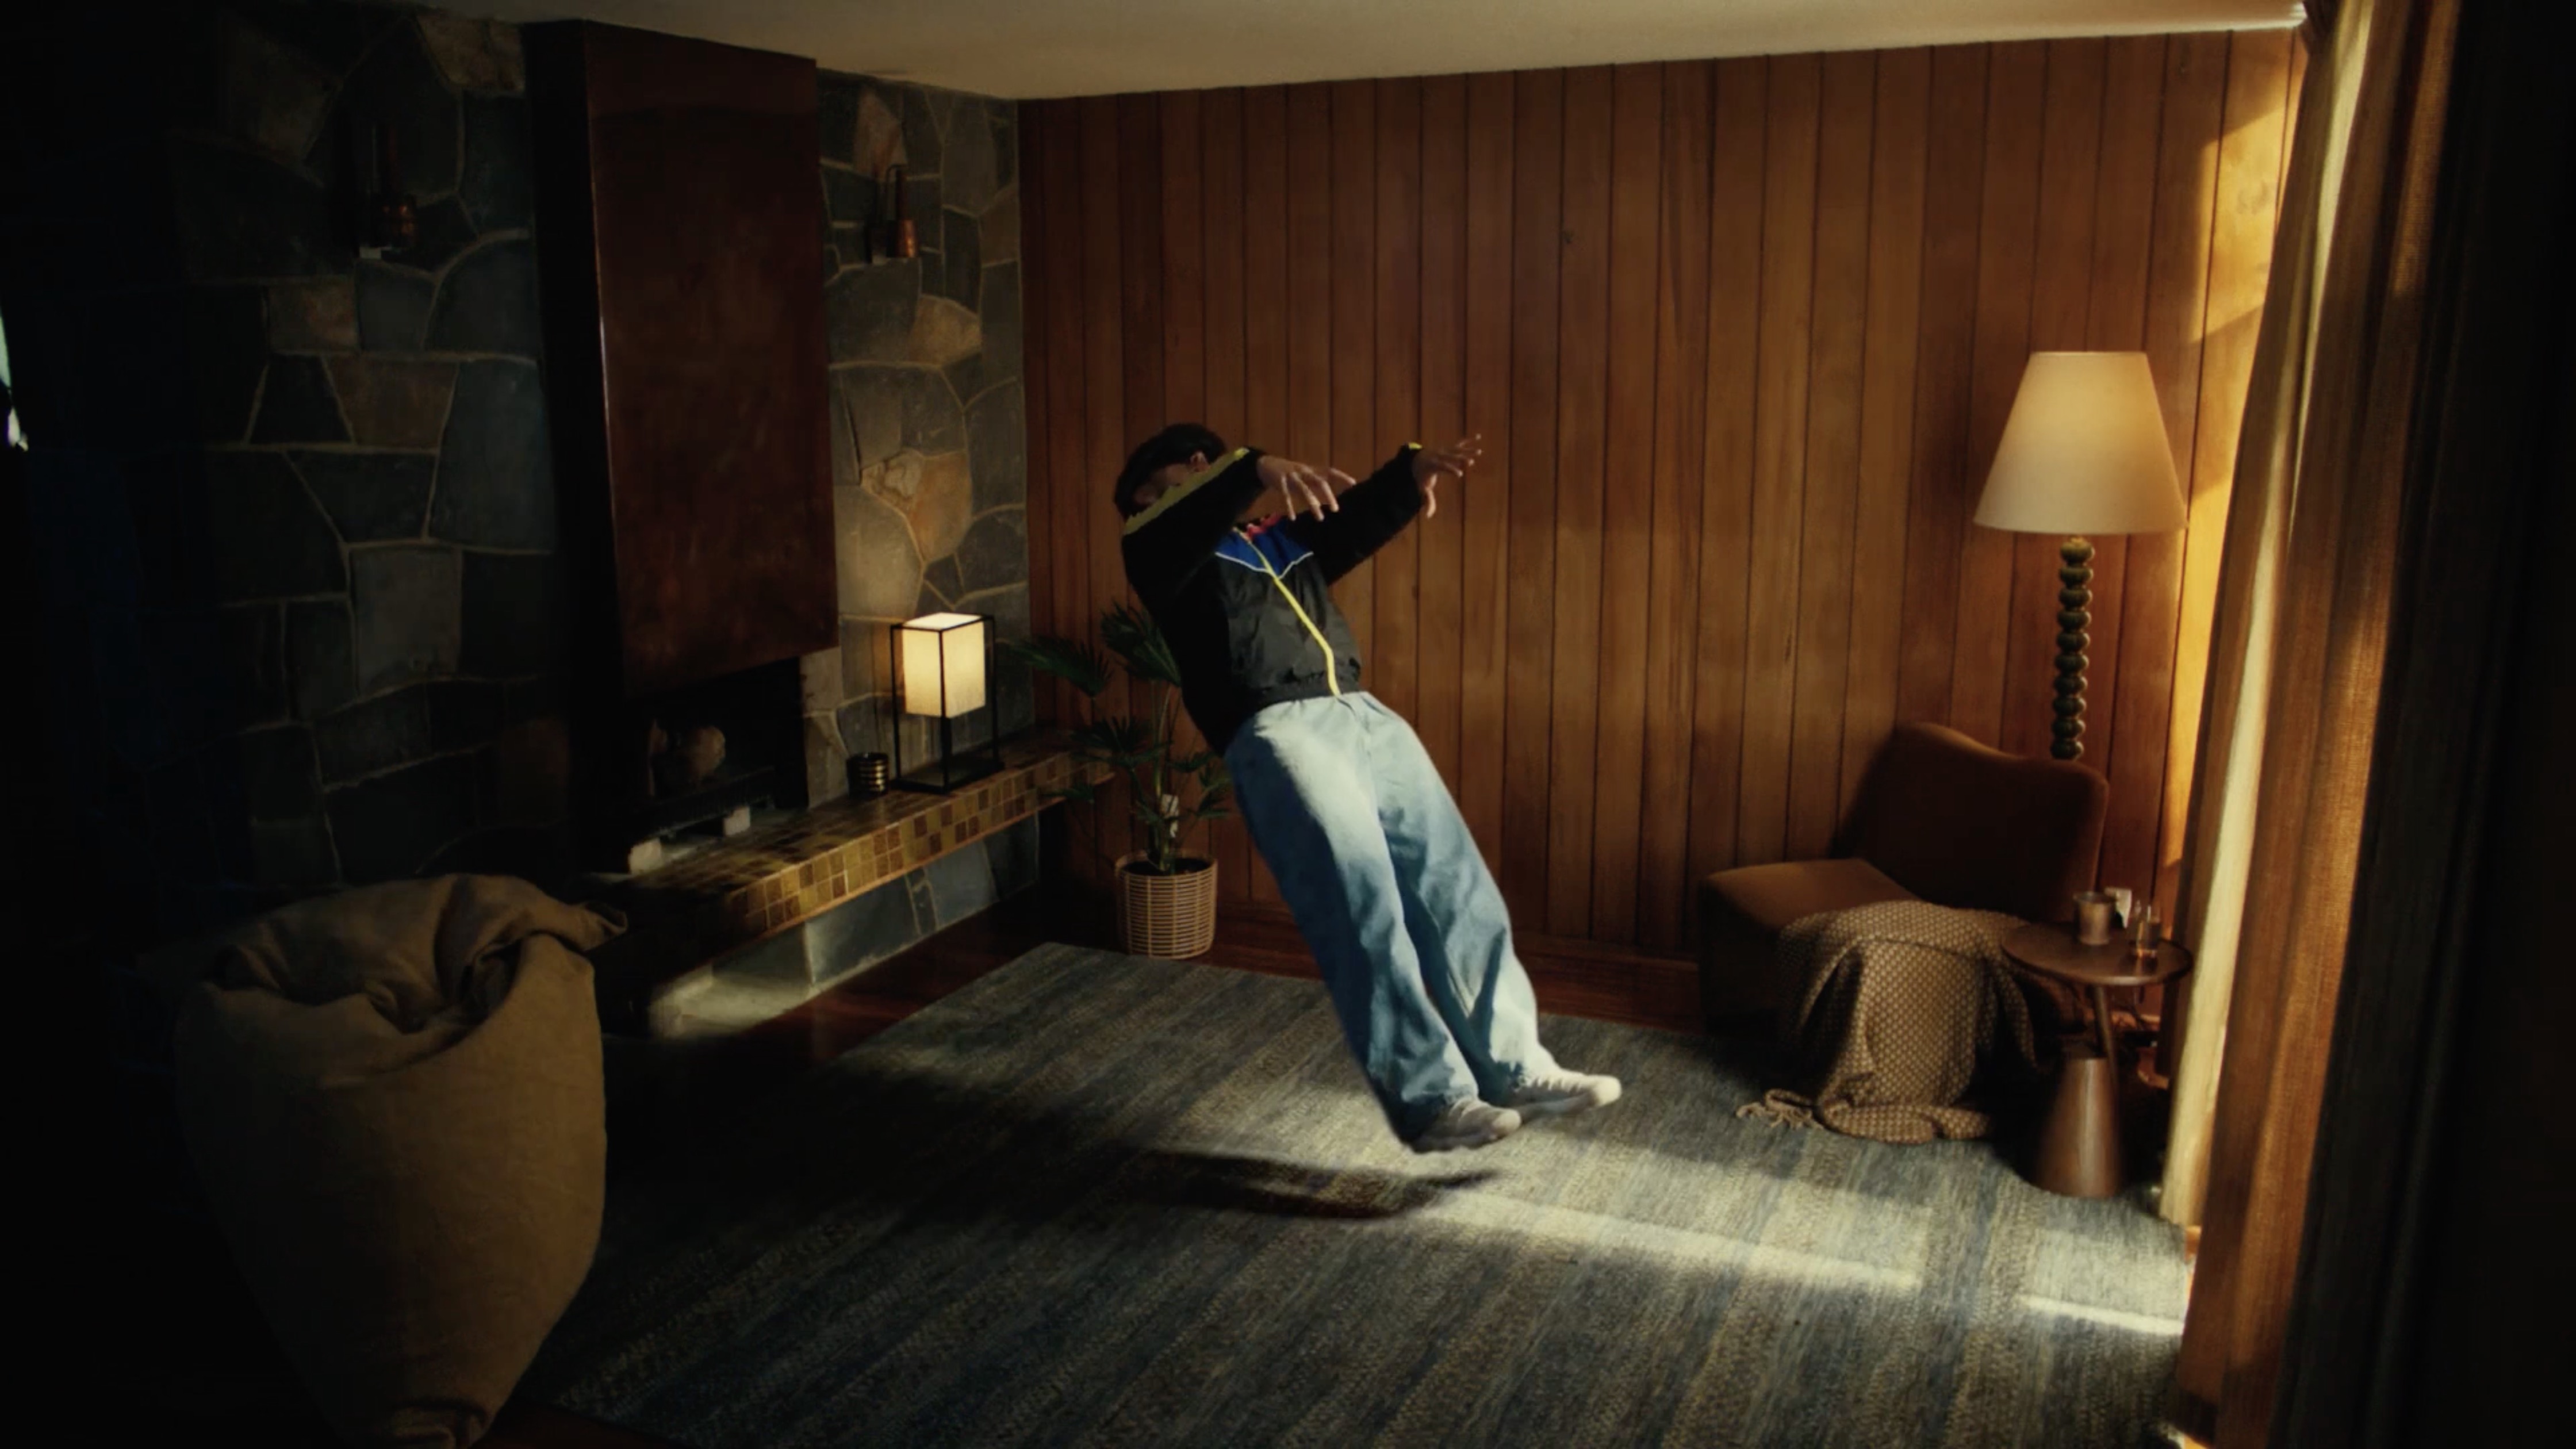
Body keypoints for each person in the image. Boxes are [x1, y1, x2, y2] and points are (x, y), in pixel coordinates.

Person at [1116, 424, 1622, 1152]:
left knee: (1458, 891)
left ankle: (1514, 1068)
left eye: (1192, 472)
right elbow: (1188, 514)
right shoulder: (1156, 549)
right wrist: (1252, 466)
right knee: (1363, 909)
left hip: (1363, 714)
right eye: (1166, 485)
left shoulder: (1273, 542)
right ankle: (1433, 1101)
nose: (1185, 484)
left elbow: (1349, 523)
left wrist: (1409, 477)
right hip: (1276, 728)